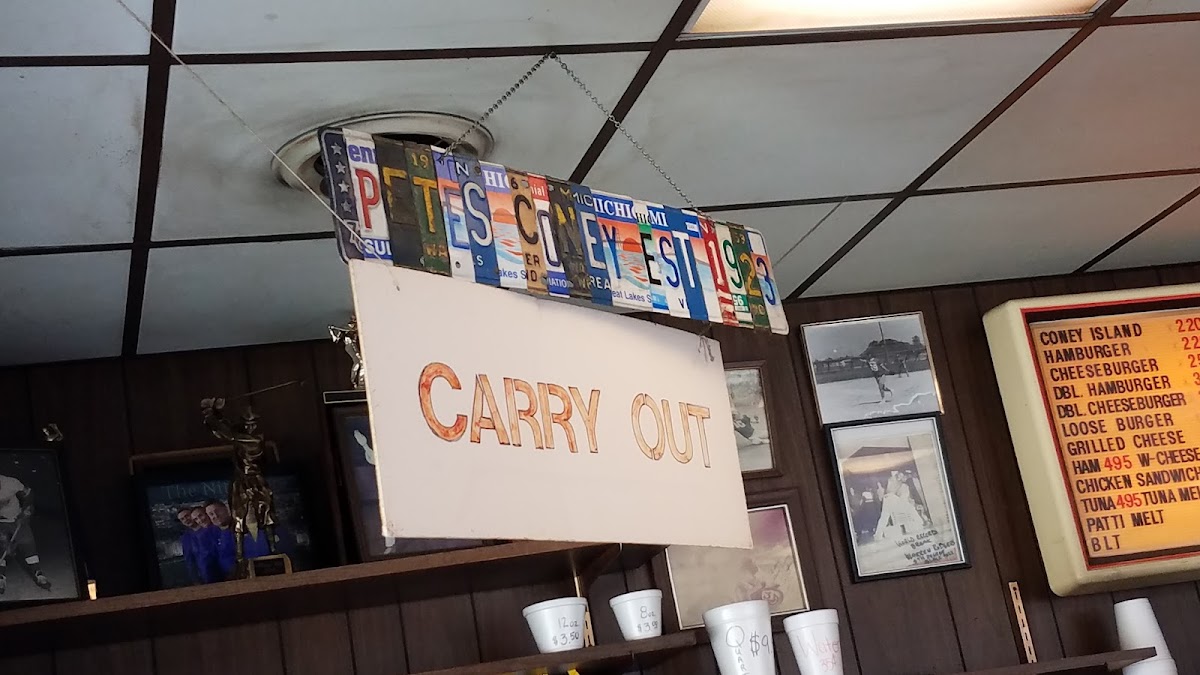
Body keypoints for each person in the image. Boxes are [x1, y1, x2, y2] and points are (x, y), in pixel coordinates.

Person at [0, 473, 51, 594]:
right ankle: (1, 577)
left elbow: (29, 494)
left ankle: (38, 573)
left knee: (28, 544)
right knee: (2, 549)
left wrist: (26, 510)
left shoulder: (10, 482)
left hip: (17, 518)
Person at [205, 499, 237, 580]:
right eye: (211, 514)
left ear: (226, 509)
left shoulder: (241, 527)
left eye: (217, 511)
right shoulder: (211, 535)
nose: (215, 516)